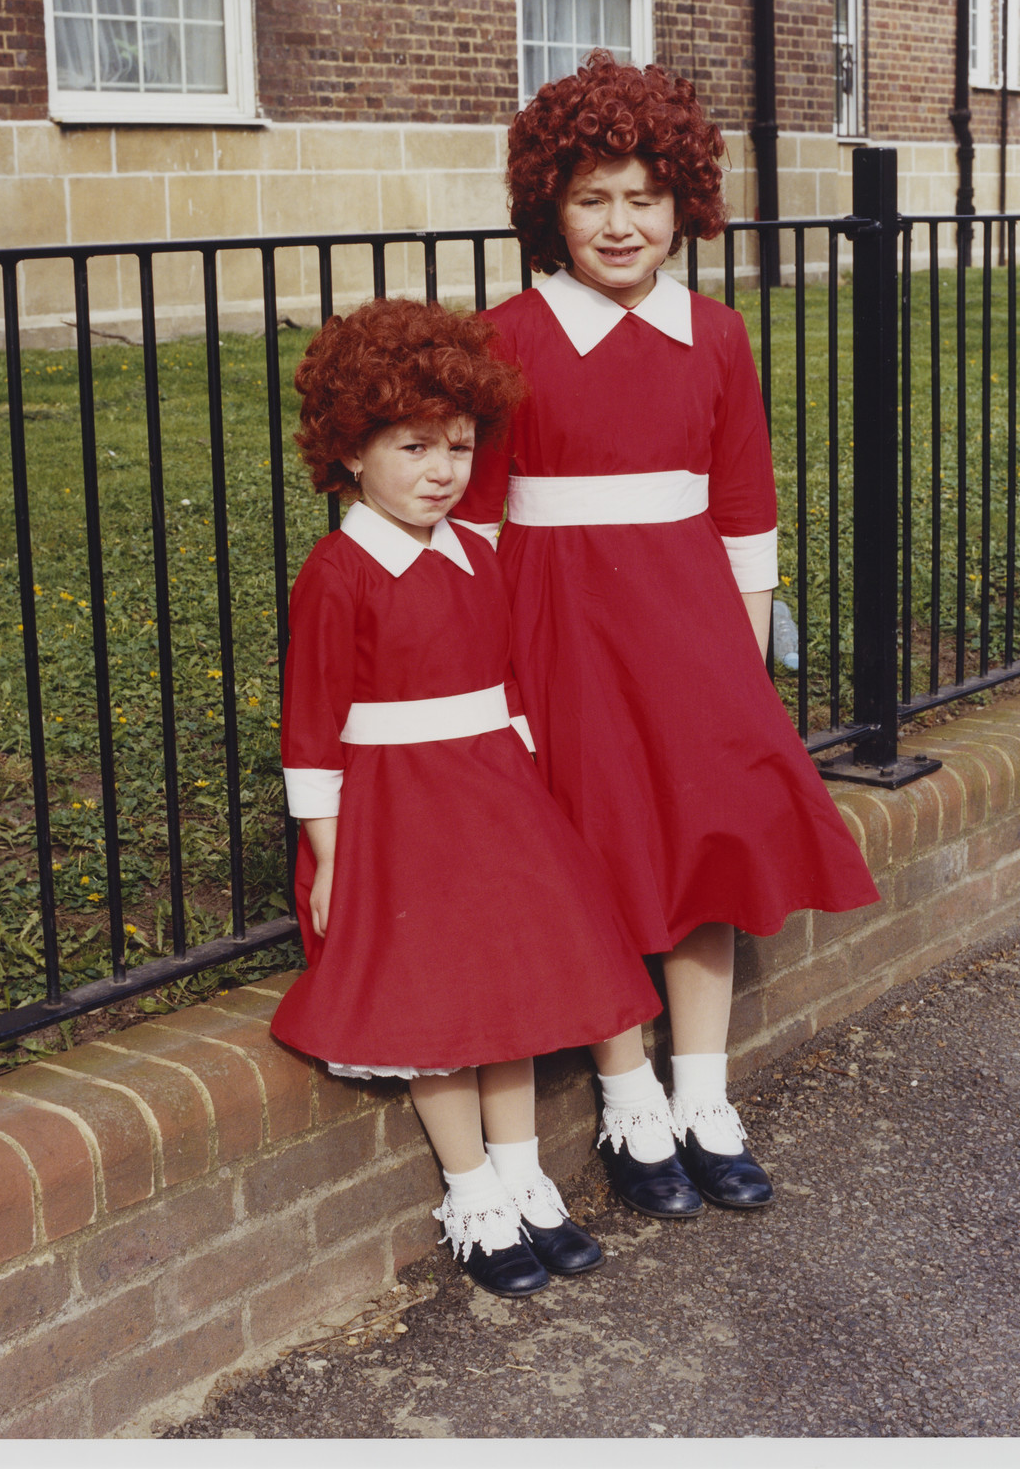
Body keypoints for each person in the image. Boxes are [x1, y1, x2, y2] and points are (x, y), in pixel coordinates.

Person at [452, 51, 880, 1220]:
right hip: (562, 631)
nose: (619, 222)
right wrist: (491, 678)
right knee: (593, 855)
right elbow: (478, 525)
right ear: (548, 207)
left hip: (691, 626)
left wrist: (738, 669)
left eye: (643, 195)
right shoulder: (509, 338)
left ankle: (702, 1092)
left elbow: (744, 515)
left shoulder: (718, 337)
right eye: (590, 197)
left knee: (702, 849)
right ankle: (627, 1096)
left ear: (683, 201)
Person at [269, 298, 663, 1298]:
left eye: (459, 444)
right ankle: (473, 1190)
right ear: (350, 451)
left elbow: (509, 689)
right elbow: (312, 727)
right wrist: (330, 853)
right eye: (413, 445)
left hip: (491, 795)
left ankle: (526, 1173)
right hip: (398, 816)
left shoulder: (475, 553)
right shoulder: (340, 572)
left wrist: (527, 794)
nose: (442, 469)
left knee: (515, 983)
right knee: (436, 997)